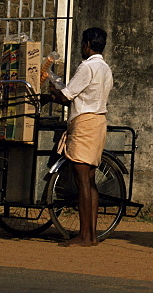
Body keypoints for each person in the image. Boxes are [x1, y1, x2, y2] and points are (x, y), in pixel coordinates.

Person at [48, 26, 114, 247]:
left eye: (82, 45)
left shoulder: (87, 67)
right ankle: (92, 235)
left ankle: (85, 235)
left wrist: (51, 92)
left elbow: (67, 96)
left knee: (82, 181)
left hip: (84, 123)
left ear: (87, 45)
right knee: (90, 181)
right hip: (97, 122)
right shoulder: (105, 68)